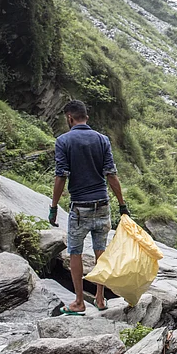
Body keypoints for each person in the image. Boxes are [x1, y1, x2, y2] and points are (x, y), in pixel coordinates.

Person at [49, 100, 128, 315]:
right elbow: (111, 174)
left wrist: (54, 206)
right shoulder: (102, 140)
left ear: (69, 118)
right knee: (100, 252)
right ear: (87, 117)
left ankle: (79, 301)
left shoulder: (63, 141)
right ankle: (100, 298)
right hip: (102, 204)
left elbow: (61, 176)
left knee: (75, 252)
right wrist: (122, 205)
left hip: (80, 208)